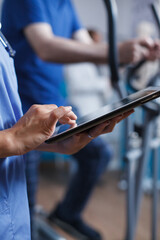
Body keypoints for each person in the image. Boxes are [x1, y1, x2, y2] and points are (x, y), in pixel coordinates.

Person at [1, 1, 160, 240]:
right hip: (24, 112)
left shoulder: (66, 5)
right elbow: (45, 47)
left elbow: (90, 49)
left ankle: (67, 212)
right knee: (24, 202)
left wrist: (130, 52)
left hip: (52, 104)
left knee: (98, 153)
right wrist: (115, 52)